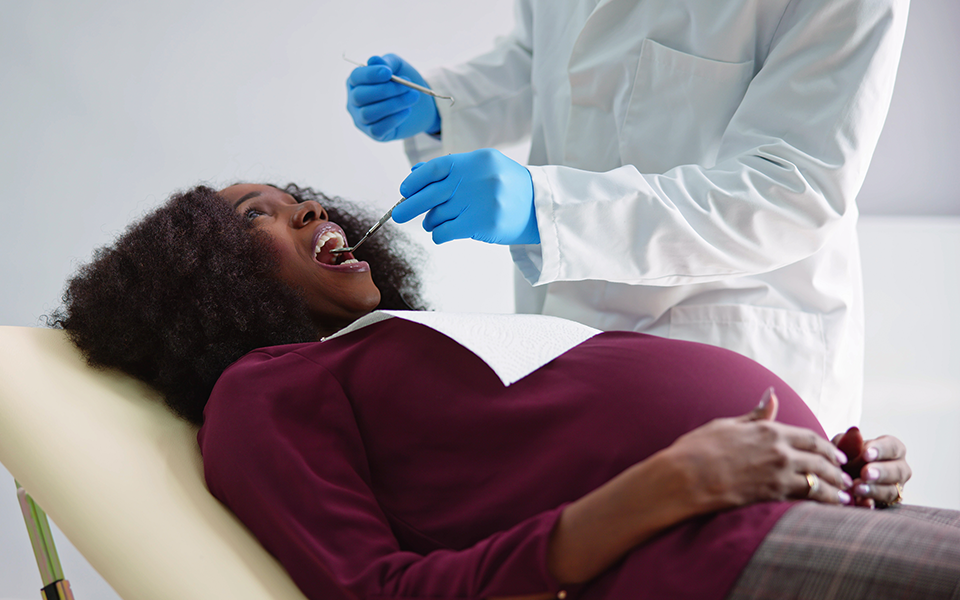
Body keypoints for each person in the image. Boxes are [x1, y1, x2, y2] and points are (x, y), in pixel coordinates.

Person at [51, 182, 957, 600]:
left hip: (812, 514)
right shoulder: (264, 390)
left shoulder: (403, 350)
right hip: (709, 563)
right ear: (204, 281)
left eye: (300, 197)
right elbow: (379, 593)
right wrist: (670, 485)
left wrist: (845, 465)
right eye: (258, 215)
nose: (310, 208)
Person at [345, 0, 911, 438]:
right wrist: (443, 103)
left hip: (733, 341)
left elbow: (790, 187)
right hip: (562, 339)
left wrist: (550, 211)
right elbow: (548, 55)